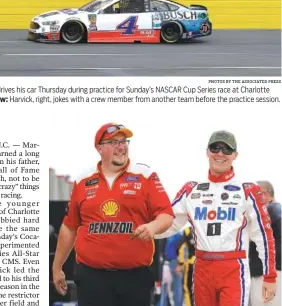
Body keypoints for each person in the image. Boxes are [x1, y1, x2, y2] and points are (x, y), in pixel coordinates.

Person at [52, 123, 175, 306]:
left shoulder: (145, 175)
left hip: (135, 278)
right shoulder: (83, 180)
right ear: (99, 148)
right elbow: (69, 227)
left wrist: (152, 226)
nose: (121, 147)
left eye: (124, 141)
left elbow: (166, 214)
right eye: (114, 142)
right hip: (92, 278)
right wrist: (57, 267)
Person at [156, 130, 277, 306]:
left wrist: (270, 275)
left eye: (227, 149)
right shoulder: (191, 189)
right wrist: (141, 230)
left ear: (235, 155)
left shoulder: (248, 189)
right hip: (202, 267)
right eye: (215, 148)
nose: (220, 154)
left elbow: (264, 235)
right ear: (207, 152)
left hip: (234, 268)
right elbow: (168, 223)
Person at [249, 181, 281, 306]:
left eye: (254, 194)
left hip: (267, 271)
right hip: (267, 270)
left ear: (265, 194)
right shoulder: (275, 209)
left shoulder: (270, 209)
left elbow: (253, 234)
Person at [159, 233, 184, 306]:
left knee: (177, 288)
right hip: (165, 263)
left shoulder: (179, 235)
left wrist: (180, 264)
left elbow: (182, 249)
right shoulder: (165, 234)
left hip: (175, 262)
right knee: (164, 287)